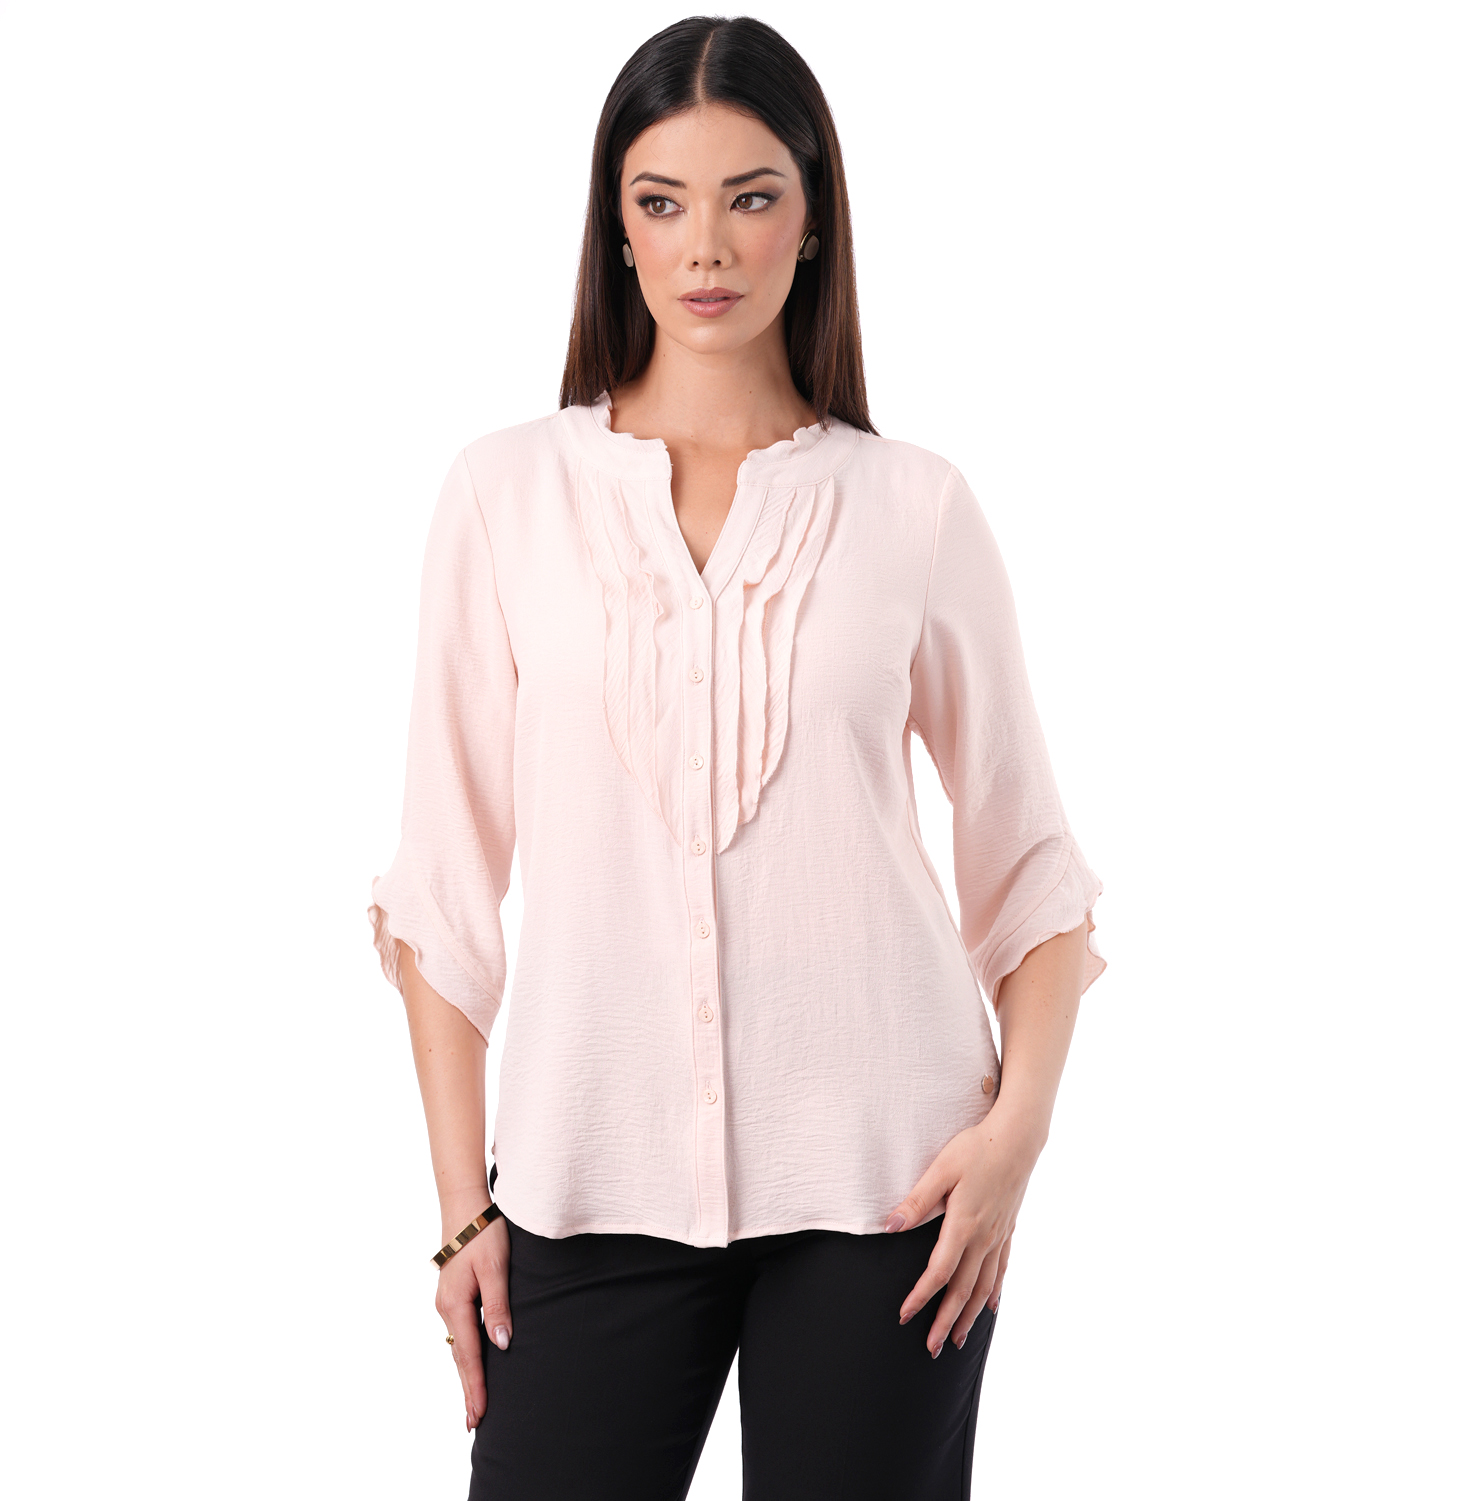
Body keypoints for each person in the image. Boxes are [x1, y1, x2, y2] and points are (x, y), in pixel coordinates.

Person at [368, 15, 1106, 1499]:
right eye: (662, 201)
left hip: (891, 1191)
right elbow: (442, 888)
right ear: (617, 227)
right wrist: (463, 1209)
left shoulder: (913, 508)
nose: (705, 245)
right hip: (586, 1182)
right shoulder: (506, 496)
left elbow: (1030, 872)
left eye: (750, 196)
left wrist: (1015, 1137)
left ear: (812, 217)